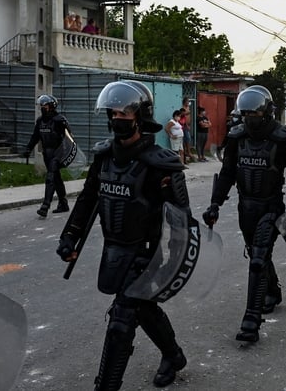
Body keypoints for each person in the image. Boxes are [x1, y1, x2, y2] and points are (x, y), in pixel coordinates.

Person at [56, 80, 195, 389]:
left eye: (125, 112)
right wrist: (70, 236)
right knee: (143, 308)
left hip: (147, 253)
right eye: (114, 112)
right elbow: (88, 200)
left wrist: (173, 262)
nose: (118, 118)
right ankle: (173, 355)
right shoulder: (104, 157)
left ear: (140, 117)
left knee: (122, 320)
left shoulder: (161, 164)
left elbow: (182, 219)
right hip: (115, 250)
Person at [203, 85, 286, 342]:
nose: (250, 119)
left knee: (258, 257)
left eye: (254, 115)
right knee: (257, 254)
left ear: (267, 112)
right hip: (245, 208)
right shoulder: (237, 138)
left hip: (271, 205)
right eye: (246, 115)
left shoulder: (283, 138)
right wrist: (215, 204)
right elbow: (226, 174)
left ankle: (251, 320)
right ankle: (272, 291)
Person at [25, 95, 71, 217]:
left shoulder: (59, 120)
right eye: (41, 106)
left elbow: (69, 138)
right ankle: (63, 203)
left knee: (50, 177)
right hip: (47, 153)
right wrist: (28, 148)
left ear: (51, 106)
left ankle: (45, 206)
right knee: (56, 179)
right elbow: (35, 136)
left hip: (58, 152)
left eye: (44, 105)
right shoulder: (40, 121)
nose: (42, 108)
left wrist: (66, 154)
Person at [180, 98, 194, 163]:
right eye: (187, 101)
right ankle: (188, 151)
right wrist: (186, 113)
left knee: (187, 139)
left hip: (187, 125)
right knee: (187, 138)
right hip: (184, 125)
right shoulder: (183, 107)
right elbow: (182, 115)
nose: (188, 102)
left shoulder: (188, 107)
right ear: (184, 102)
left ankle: (187, 152)